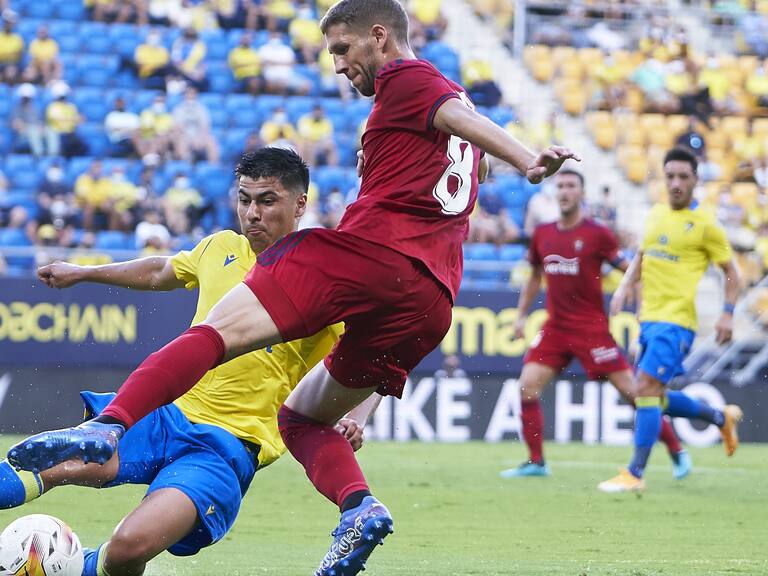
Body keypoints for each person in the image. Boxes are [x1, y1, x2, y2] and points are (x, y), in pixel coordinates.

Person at [9, 2, 576, 574]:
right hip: (431, 297)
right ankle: (359, 507)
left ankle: (105, 428)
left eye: (342, 49)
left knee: (213, 334)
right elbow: (466, 158)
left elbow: (453, 115)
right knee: (304, 419)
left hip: (369, 260)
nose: (337, 65)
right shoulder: (432, 118)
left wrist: (528, 160)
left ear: (379, 37)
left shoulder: (410, 80)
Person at [1, 147, 373, 576]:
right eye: (244, 199)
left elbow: (369, 359)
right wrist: (83, 271)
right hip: (165, 413)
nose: (252, 213)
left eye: (267, 201)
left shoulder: (325, 278)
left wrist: (358, 415)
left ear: (300, 204)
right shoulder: (221, 246)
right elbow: (162, 270)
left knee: (127, 546)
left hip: (227, 446)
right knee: (44, 464)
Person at [499, 169, 689, 480]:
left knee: (636, 394)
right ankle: (536, 463)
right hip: (556, 328)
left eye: (571, 185)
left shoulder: (597, 234)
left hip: (592, 330)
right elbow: (535, 276)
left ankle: (676, 451)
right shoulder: (543, 233)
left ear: (581, 193)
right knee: (527, 386)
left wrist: (640, 306)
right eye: (559, 185)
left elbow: (631, 271)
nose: (564, 190)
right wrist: (521, 314)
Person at [598, 147, 743, 493]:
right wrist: (623, 288)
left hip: (676, 322)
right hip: (649, 320)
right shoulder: (656, 214)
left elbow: (732, 273)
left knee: (644, 391)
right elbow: (642, 258)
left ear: (695, 181)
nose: (676, 183)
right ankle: (721, 418)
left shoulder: (706, 224)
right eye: (671, 176)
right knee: (653, 396)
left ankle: (635, 473)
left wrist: (727, 313)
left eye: (683, 177)